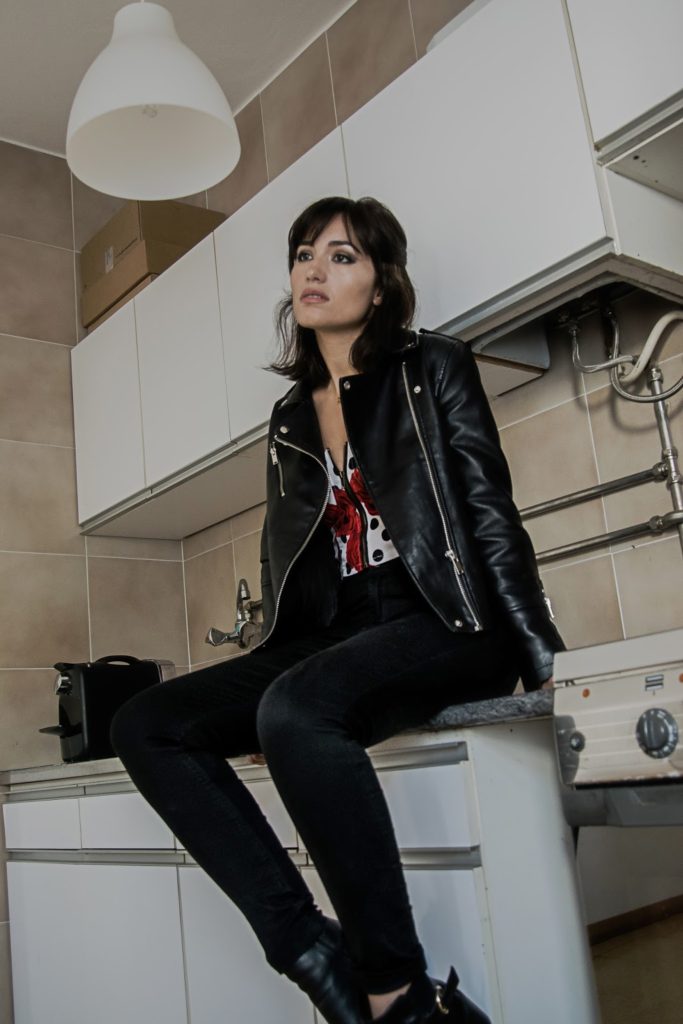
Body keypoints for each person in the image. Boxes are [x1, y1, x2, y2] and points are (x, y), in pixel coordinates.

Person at [110, 196, 565, 1024]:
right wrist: (266, 679)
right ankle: (309, 950)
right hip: (341, 628)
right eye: (303, 255)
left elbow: (488, 512)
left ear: (381, 285)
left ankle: (395, 991)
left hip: (445, 615)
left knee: (298, 708)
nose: (314, 270)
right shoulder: (289, 415)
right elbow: (285, 556)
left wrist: (539, 655)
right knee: (146, 723)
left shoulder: (433, 366)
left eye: (342, 255)